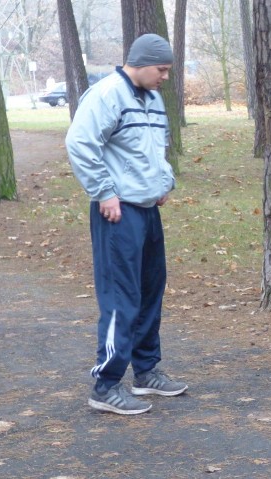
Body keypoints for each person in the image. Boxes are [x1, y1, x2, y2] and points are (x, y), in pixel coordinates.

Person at [65, 33, 187, 415]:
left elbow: (156, 149)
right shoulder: (106, 94)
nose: (165, 77)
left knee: (152, 289)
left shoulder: (152, 99)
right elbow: (80, 143)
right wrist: (104, 192)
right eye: (161, 69)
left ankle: (147, 370)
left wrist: (163, 183)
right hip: (117, 212)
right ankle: (106, 384)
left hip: (147, 209)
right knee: (122, 297)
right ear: (141, 62)